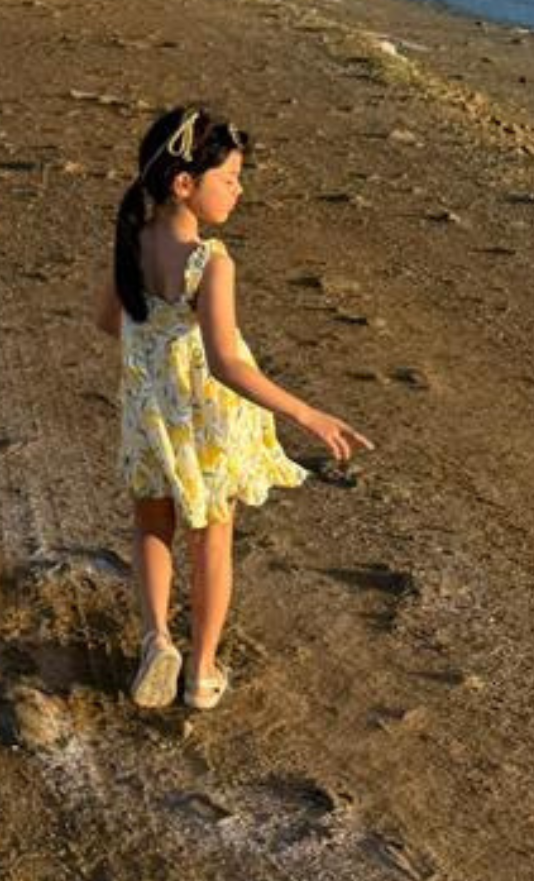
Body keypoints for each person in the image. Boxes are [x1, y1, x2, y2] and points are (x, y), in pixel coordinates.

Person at [92, 106, 372, 712]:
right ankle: (201, 668)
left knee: (152, 523)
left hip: (150, 414)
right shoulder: (211, 261)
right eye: (229, 179)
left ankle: (157, 639)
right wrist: (308, 414)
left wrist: (156, 350)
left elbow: (108, 321)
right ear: (184, 184)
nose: (239, 190)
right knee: (212, 537)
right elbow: (226, 363)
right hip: (208, 418)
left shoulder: (132, 244)